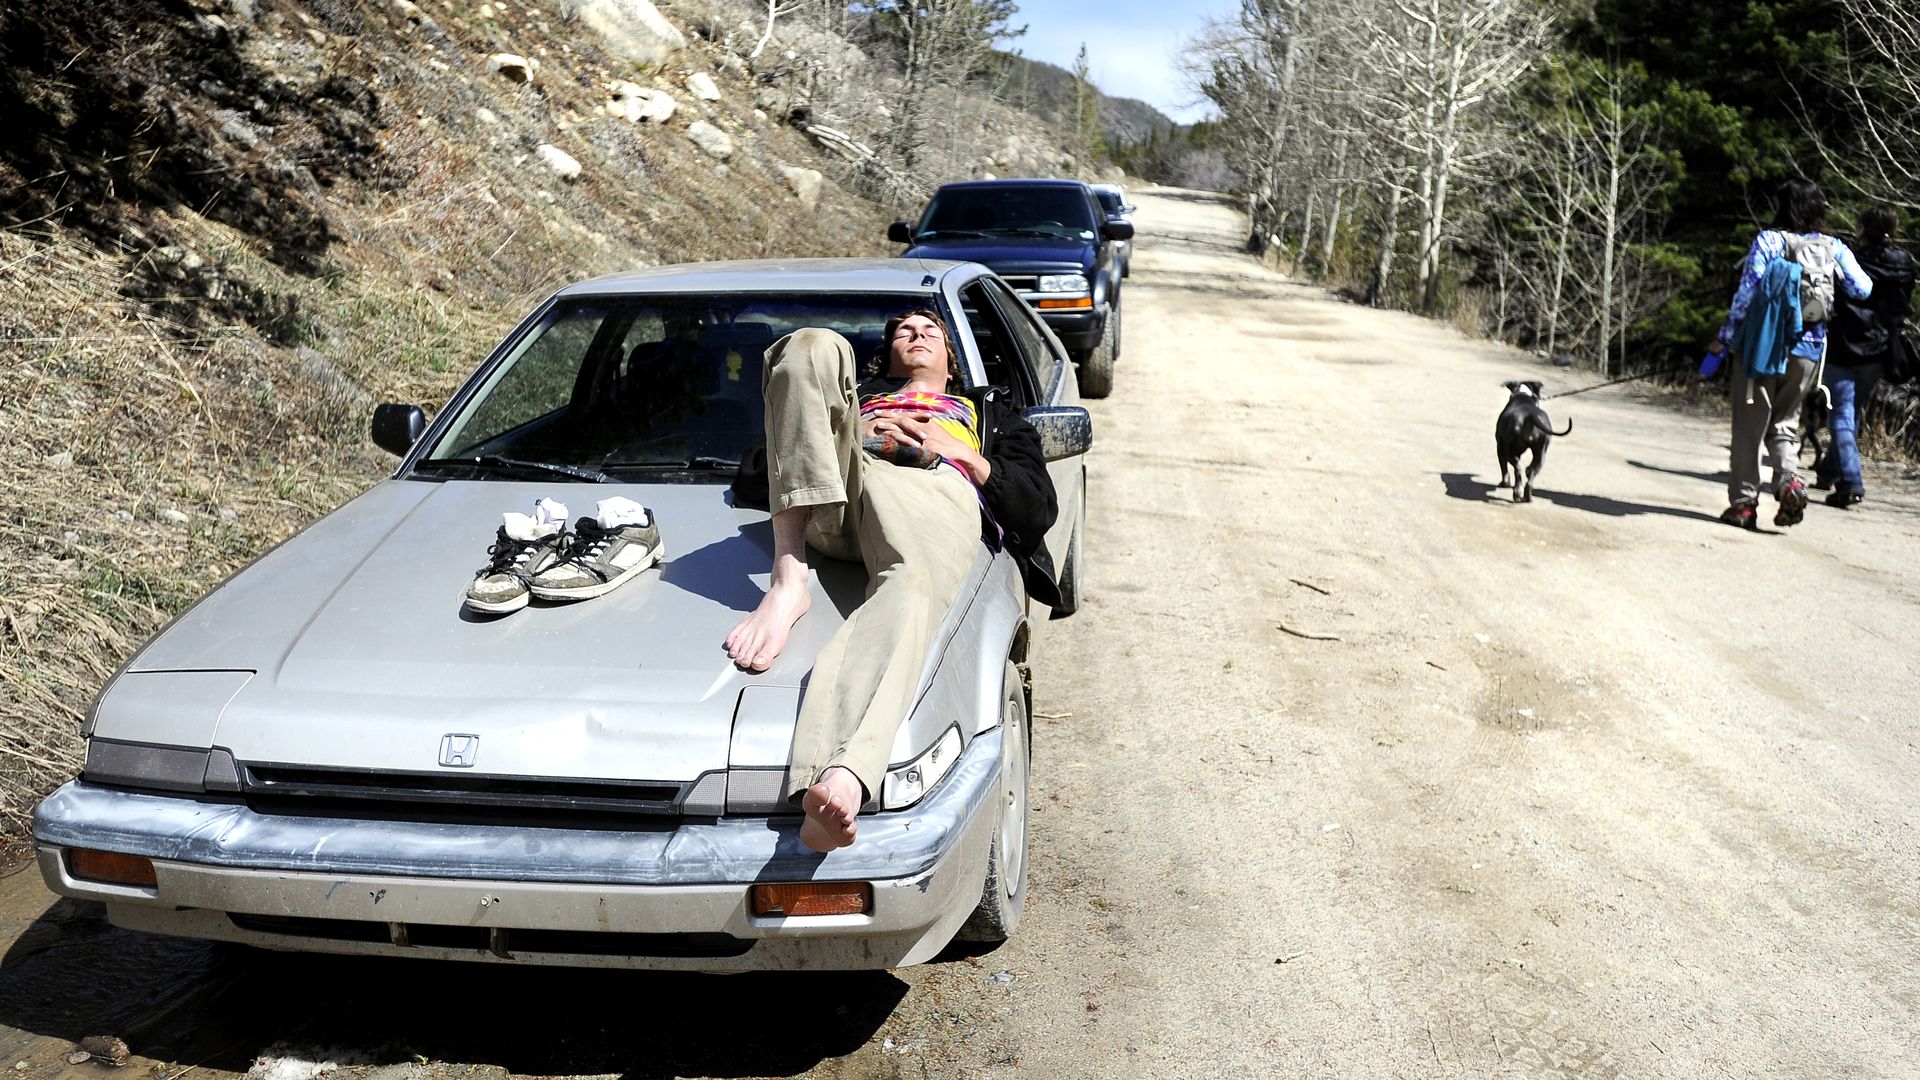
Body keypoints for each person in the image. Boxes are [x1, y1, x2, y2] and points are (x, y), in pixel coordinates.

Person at [724, 310, 1059, 851]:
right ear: (889, 353)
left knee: (911, 588)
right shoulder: (864, 399)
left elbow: (1037, 506)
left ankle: (843, 775)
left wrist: (966, 457)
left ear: (951, 361)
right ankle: (788, 580)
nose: (917, 335)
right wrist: (857, 430)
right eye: (905, 331)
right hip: (844, 478)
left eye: (931, 332)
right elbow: (759, 468)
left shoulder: (985, 412)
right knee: (811, 344)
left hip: (930, 484)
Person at [1704, 178, 1872, 529]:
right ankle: (1789, 482)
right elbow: (1863, 287)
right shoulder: (1833, 247)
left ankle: (1744, 504)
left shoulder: (1769, 240)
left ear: (1782, 207)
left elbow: (1747, 292)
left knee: (1749, 427)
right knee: (1785, 423)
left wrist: (1724, 338)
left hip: (1762, 347)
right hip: (1809, 350)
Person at [1816, 203, 1915, 507]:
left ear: (1862, 229)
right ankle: (1830, 469)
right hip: (1879, 349)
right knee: (1850, 412)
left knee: (1842, 415)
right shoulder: (1906, 265)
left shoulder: (1852, 261)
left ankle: (1851, 483)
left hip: (1844, 347)